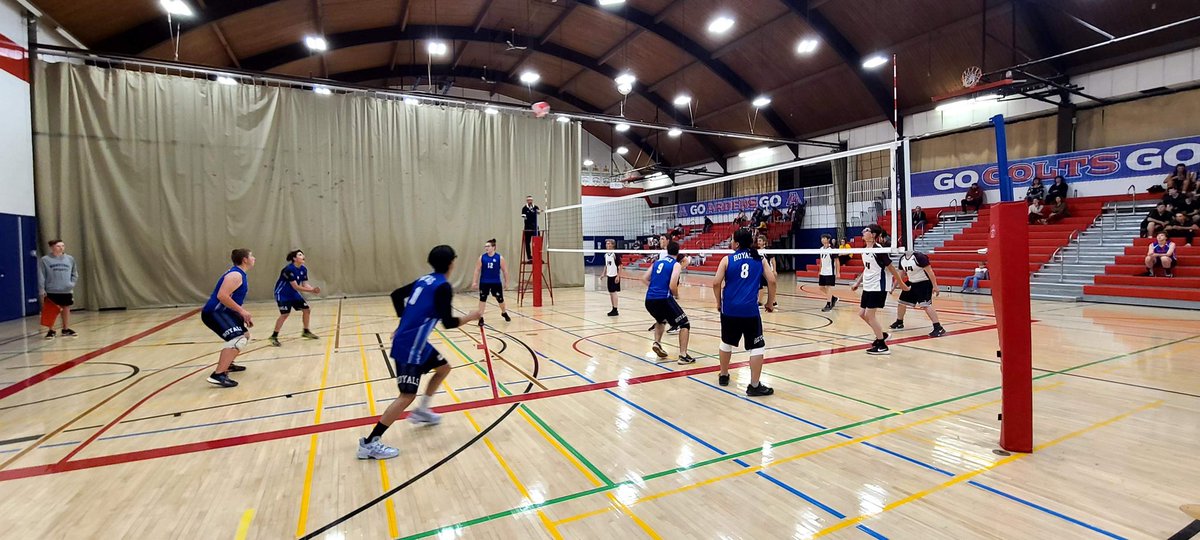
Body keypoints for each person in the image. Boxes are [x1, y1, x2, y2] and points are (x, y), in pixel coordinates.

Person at [357, 245, 482, 460]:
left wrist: (403, 323)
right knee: (406, 395)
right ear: (452, 262)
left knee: (443, 368)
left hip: (416, 343)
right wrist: (471, 316)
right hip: (410, 347)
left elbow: (396, 295)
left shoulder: (425, 279)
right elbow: (449, 323)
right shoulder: (442, 287)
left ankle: (423, 410)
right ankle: (370, 443)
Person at [712, 228, 775, 396]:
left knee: (726, 342)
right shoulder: (759, 258)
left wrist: (719, 302)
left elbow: (716, 283)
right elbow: (772, 280)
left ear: (737, 243)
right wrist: (769, 303)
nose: (730, 243)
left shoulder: (727, 259)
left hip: (730, 309)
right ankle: (754, 385)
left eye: (732, 240)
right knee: (757, 347)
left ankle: (724, 375)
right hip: (750, 311)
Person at [849, 224, 908, 355]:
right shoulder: (865, 249)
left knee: (870, 315)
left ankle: (882, 345)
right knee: (862, 314)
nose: (863, 232)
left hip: (878, 286)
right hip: (868, 286)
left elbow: (891, 267)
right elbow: (867, 268)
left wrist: (900, 284)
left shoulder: (879, 250)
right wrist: (858, 282)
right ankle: (882, 334)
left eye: (867, 231)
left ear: (874, 235)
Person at [201, 249, 256, 388]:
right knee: (238, 339)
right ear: (245, 259)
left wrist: (240, 315)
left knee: (245, 335)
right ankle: (218, 375)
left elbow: (232, 299)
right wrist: (242, 311)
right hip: (215, 312)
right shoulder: (236, 275)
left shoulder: (239, 274)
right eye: (251, 256)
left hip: (226, 312)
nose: (254, 258)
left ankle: (228, 364)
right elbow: (222, 296)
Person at [641, 241, 695, 365]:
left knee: (661, 320)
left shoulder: (657, 262)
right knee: (684, 324)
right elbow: (672, 285)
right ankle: (683, 356)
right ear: (678, 252)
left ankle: (657, 343)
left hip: (649, 300)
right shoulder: (675, 265)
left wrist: (654, 287)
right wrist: (676, 295)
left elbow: (644, 278)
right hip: (663, 299)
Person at [269, 250, 321, 347]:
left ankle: (306, 331)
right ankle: (274, 336)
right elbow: (296, 287)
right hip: (282, 294)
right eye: (300, 255)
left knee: (306, 309)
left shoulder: (303, 269)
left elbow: (305, 284)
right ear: (294, 258)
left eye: (303, 254)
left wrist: (313, 289)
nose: (303, 256)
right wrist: (311, 291)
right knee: (285, 314)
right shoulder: (288, 270)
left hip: (293, 294)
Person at [890, 251, 946, 337]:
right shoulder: (902, 259)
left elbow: (930, 271)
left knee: (926, 305)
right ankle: (899, 322)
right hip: (912, 282)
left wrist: (935, 286)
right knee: (901, 303)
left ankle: (938, 327)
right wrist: (893, 287)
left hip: (924, 282)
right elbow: (900, 274)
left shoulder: (919, 257)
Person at [38, 239, 78, 339]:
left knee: (66, 308)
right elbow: (41, 275)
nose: (61, 248)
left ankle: (65, 329)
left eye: (62, 246)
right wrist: (42, 289)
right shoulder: (45, 260)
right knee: (51, 310)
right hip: (52, 289)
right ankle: (51, 330)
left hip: (66, 289)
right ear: (52, 247)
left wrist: (71, 284)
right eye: (58, 246)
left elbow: (74, 273)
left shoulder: (70, 259)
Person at [472, 239, 511, 323]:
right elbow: (477, 270)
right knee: (482, 299)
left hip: (496, 282)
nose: (486, 248)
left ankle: (504, 312)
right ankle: (481, 317)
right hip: (484, 282)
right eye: (485, 246)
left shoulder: (499, 258)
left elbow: (505, 271)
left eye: (488, 246)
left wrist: (507, 282)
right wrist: (474, 282)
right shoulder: (482, 257)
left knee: (500, 299)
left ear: (494, 247)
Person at [817, 234, 840, 312]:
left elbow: (837, 261)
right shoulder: (821, 249)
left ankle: (828, 304)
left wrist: (838, 272)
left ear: (828, 239)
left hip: (830, 272)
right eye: (821, 238)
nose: (822, 239)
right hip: (823, 271)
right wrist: (819, 270)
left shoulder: (832, 249)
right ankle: (833, 298)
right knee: (821, 287)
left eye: (824, 238)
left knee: (828, 287)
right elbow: (821, 261)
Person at [755, 235, 777, 308]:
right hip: (760, 271)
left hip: (768, 271)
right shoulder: (756, 251)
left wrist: (774, 270)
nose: (758, 242)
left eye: (760, 241)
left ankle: (773, 302)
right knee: (760, 286)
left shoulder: (767, 250)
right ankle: (760, 301)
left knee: (770, 286)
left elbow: (773, 260)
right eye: (758, 240)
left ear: (764, 242)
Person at [603, 239, 621, 316]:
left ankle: (615, 309)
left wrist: (618, 276)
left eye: (610, 244)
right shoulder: (606, 254)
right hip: (609, 276)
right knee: (611, 293)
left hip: (614, 276)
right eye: (607, 244)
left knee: (614, 293)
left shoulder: (615, 254)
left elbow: (620, 266)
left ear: (613, 245)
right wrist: (603, 273)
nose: (608, 245)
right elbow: (606, 265)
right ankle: (613, 308)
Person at [520, 195, 540, 262]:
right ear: (526, 201)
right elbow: (524, 217)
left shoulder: (536, 207)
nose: (529, 201)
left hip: (535, 228)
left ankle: (537, 256)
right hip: (527, 228)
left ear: (532, 200)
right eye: (528, 200)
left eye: (530, 200)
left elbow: (539, 212)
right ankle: (529, 257)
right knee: (527, 243)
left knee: (537, 242)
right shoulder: (524, 208)